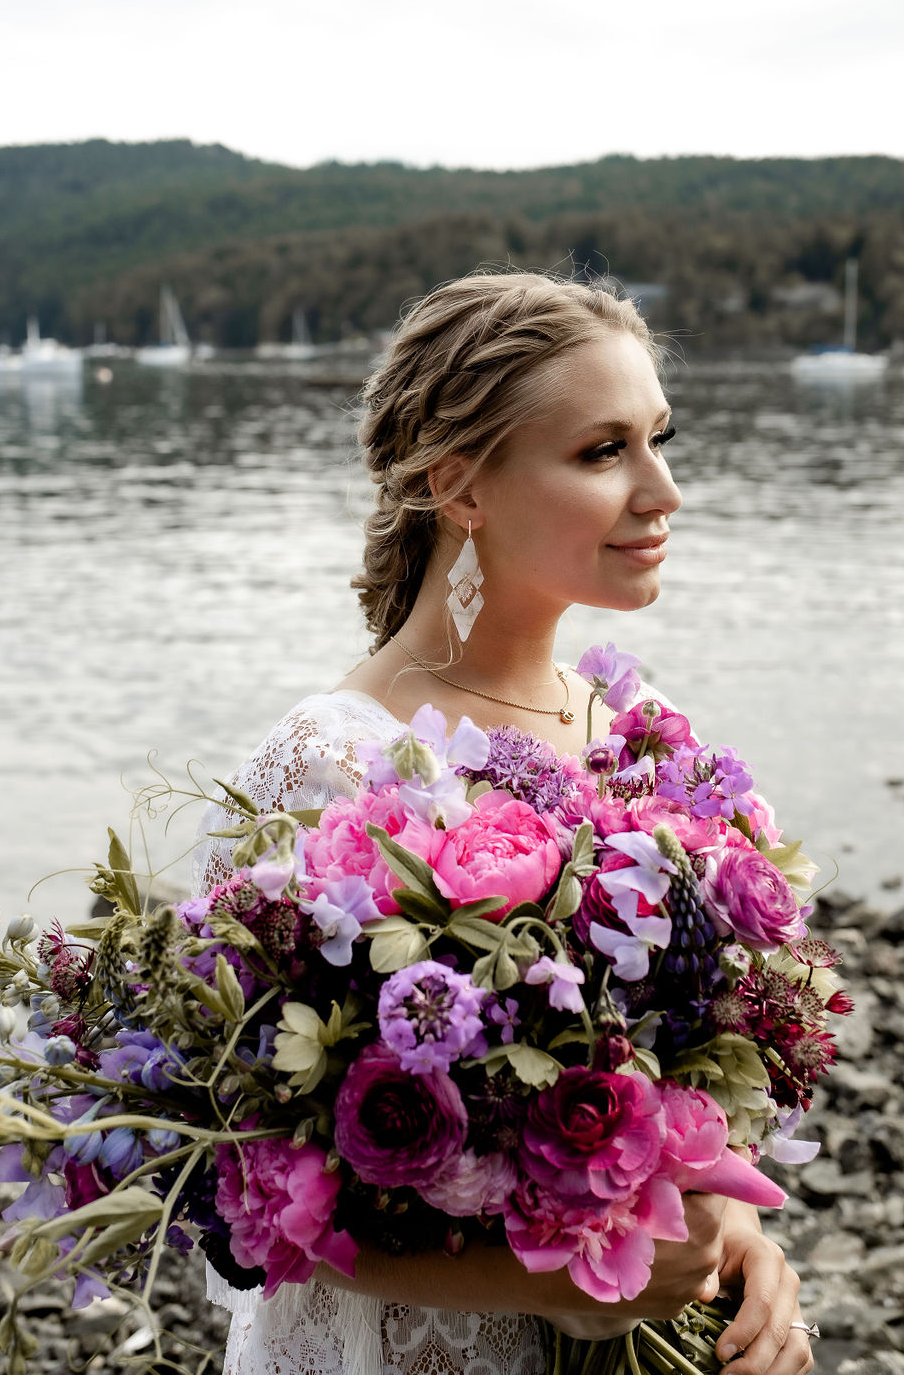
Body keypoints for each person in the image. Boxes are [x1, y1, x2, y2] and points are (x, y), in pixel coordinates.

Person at [194, 272, 815, 1375]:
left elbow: (697, 1093)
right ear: (460, 485)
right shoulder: (328, 765)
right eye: (602, 451)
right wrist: (568, 1285)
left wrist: (745, 1247)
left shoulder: (642, 739)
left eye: (659, 439)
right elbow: (236, 1191)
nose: (662, 489)